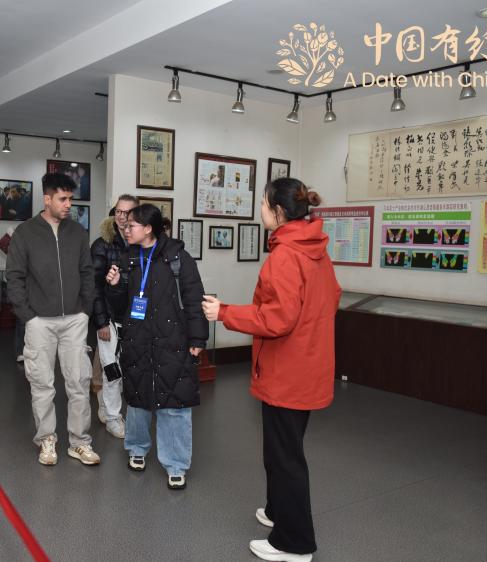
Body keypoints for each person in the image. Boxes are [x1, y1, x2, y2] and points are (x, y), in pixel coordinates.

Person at [202, 178, 341, 562]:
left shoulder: (285, 256)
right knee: (282, 449)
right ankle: (279, 510)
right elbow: (331, 298)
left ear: (278, 212)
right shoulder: (315, 249)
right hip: (307, 365)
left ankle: (294, 543)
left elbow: (277, 318)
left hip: (287, 371)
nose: (260, 210)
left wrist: (224, 313)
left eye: (263, 204)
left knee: (285, 457)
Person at [105, 204, 208, 490]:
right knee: (137, 398)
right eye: (125, 225)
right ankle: (136, 448)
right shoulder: (127, 258)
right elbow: (120, 308)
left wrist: (198, 339)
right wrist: (114, 287)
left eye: (131, 225)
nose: (126, 229)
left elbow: (194, 299)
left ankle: (176, 464)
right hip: (137, 339)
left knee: (174, 402)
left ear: (148, 229)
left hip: (172, 340)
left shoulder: (178, 258)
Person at [6, 172, 99, 466]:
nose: (68, 204)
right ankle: (47, 439)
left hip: (75, 319)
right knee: (42, 384)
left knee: (79, 383)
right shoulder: (25, 233)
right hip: (39, 322)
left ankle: (79, 442)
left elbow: (87, 272)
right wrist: (28, 316)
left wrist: (85, 310)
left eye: (71, 199)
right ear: (47, 199)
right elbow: (14, 277)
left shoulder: (78, 232)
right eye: (63, 199)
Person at [89, 195, 138, 439]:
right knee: (111, 370)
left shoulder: (141, 243)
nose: (121, 216)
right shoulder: (102, 245)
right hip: (108, 317)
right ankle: (112, 417)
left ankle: (107, 404)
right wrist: (101, 322)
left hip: (134, 318)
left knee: (129, 369)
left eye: (127, 212)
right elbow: (94, 287)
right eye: (118, 211)